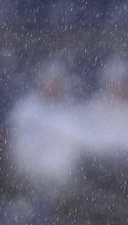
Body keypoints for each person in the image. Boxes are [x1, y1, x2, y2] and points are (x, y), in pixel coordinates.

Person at [7, 58, 85, 197]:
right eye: (49, 81)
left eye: (56, 82)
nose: (52, 86)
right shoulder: (25, 110)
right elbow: (17, 148)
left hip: (62, 185)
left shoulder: (71, 113)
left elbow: (76, 148)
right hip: (28, 180)